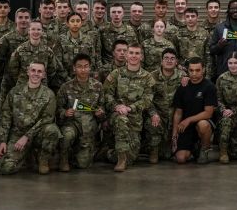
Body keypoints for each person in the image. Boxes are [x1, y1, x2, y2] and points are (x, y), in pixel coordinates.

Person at [0, 61, 60, 175]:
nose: (36, 74)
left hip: (38, 134)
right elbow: (6, 117)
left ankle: (42, 159)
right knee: (5, 168)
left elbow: (47, 119)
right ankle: (26, 156)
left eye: (39, 71)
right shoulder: (15, 92)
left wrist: (27, 136)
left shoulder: (49, 95)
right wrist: (3, 141)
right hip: (18, 134)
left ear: (44, 75)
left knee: (52, 130)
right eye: (33, 70)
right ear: (28, 72)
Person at [103, 43, 157, 172]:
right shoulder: (116, 74)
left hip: (134, 120)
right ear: (126, 55)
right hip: (117, 116)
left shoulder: (148, 77)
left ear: (142, 57)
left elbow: (147, 99)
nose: (134, 56)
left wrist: (130, 108)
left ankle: (107, 153)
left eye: (137, 53)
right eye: (131, 53)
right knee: (122, 119)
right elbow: (106, 94)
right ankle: (121, 159)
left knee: (132, 158)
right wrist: (117, 106)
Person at [55, 53, 104, 171]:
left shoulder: (98, 86)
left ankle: (80, 152)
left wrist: (100, 113)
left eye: (86, 66)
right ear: (74, 68)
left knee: (83, 164)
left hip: (89, 126)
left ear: (90, 67)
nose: (83, 69)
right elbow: (57, 109)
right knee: (67, 135)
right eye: (79, 66)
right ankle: (64, 158)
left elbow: (103, 108)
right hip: (72, 124)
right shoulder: (66, 87)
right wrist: (65, 113)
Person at [171, 57, 218, 164]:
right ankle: (194, 149)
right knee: (181, 159)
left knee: (203, 125)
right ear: (187, 70)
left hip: (202, 122)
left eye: (197, 70)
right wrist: (174, 136)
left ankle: (204, 150)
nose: (194, 74)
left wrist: (188, 120)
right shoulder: (183, 86)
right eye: (191, 70)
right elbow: (178, 113)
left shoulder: (209, 87)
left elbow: (208, 113)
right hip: (186, 127)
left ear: (203, 70)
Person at [144, 47, 183, 164]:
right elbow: (147, 99)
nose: (169, 61)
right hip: (159, 116)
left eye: (172, 58)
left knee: (171, 155)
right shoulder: (152, 77)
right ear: (161, 61)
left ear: (176, 62)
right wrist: (153, 113)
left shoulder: (183, 77)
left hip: (176, 117)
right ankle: (153, 151)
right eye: (166, 58)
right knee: (151, 122)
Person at [6, 21, 59, 95]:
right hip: (22, 86)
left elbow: (52, 69)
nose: (36, 32)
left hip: (41, 87)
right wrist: (22, 79)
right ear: (29, 31)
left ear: (42, 32)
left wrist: (42, 78)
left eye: (38, 29)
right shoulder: (20, 49)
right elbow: (13, 69)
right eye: (33, 29)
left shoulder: (48, 51)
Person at [215, 54, 237, 163]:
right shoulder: (221, 78)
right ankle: (223, 152)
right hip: (225, 114)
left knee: (236, 154)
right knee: (226, 122)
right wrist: (224, 110)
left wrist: (234, 111)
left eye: (235, 63)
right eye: (230, 63)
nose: (233, 66)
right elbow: (218, 99)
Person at [57, 11, 101, 82]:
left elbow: (92, 59)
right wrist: (66, 78)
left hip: (85, 78)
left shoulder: (88, 39)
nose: (75, 24)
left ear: (81, 23)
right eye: (72, 21)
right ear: (67, 23)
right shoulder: (61, 39)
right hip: (65, 79)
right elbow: (58, 63)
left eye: (78, 21)